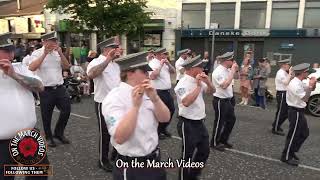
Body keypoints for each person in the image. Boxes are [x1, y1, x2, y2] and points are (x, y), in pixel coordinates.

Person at [102, 51, 170, 180]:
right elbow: (120, 137)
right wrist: (135, 107)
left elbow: (165, 118)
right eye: (144, 71)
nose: (148, 75)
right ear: (130, 73)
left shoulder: (147, 91)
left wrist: (155, 99)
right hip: (132, 166)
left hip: (155, 160)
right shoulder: (114, 98)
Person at [0, 32, 50, 180]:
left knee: (40, 175)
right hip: (2, 142)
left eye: (11, 50)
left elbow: (40, 86)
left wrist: (14, 75)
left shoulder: (20, 67)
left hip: (28, 136)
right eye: (6, 51)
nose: (11, 54)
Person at [175, 55, 215, 180]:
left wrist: (207, 81)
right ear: (192, 68)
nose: (203, 68)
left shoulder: (198, 79)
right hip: (187, 124)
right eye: (200, 66)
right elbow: (186, 102)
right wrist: (198, 86)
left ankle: (192, 174)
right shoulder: (182, 83)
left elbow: (211, 91)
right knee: (187, 155)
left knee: (204, 151)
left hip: (199, 122)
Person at [29, 31, 71, 147]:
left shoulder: (57, 53)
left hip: (59, 87)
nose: (54, 43)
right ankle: (48, 137)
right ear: (45, 42)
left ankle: (59, 133)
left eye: (55, 41)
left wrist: (61, 54)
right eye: (52, 41)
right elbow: (31, 67)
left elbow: (67, 66)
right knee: (47, 115)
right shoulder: (37, 53)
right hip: (45, 89)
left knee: (66, 110)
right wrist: (45, 54)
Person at [86, 37, 121, 172]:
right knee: (105, 133)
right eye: (116, 47)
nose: (119, 49)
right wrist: (107, 60)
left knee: (118, 129)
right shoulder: (97, 61)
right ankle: (103, 160)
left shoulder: (116, 63)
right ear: (107, 49)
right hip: (103, 103)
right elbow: (91, 74)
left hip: (118, 103)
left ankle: (115, 154)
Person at [281, 63, 317, 166]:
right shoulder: (295, 84)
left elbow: (311, 90)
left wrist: (312, 84)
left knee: (305, 133)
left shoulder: (300, 82)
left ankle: (292, 151)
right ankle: (286, 156)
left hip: (300, 111)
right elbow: (305, 98)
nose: (308, 74)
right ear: (302, 73)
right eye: (307, 72)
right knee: (293, 135)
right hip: (295, 111)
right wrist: (310, 85)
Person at [210, 52, 238, 151]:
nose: (233, 62)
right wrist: (232, 71)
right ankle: (214, 142)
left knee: (231, 120)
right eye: (231, 60)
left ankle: (223, 139)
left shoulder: (227, 70)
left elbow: (236, 78)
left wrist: (234, 70)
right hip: (220, 100)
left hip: (228, 100)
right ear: (226, 61)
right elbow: (225, 85)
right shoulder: (218, 72)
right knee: (219, 122)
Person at [149, 48, 176, 139]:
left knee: (171, 109)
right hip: (158, 91)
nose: (165, 55)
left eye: (166, 54)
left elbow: (173, 71)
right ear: (158, 54)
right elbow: (153, 76)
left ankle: (163, 128)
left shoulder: (165, 63)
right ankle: (157, 131)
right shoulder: (153, 63)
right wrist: (160, 65)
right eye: (164, 54)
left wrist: (168, 64)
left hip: (166, 91)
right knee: (159, 112)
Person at [271, 59, 293, 136]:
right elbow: (286, 82)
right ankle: (275, 128)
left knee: (285, 112)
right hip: (282, 93)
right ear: (283, 65)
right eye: (288, 65)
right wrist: (290, 73)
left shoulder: (284, 72)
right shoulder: (280, 73)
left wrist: (290, 74)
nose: (289, 66)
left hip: (285, 93)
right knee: (281, 112)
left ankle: (276, 125)